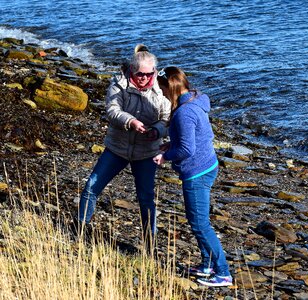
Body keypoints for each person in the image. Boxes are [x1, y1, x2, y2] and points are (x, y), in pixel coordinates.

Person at [78, 44, 171, 248]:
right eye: (140, 74)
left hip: (146, 153)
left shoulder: (162, 90)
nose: (145, 78)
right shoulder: (118, 84)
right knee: (91, 187)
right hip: (117, 148)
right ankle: (80, 232)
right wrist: (130, 122)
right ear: (131, 70)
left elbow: (167, 119)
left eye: (149, 74)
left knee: (146, 199)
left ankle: (149, 246)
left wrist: (157, 130)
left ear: (155, 72)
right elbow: (112, 110)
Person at [153, 66, 232, 287]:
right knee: (197, 221)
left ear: (171, 88)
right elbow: (197, 137)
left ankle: (223, 272)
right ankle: (207, 265)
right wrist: (172, 143)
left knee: (199, 224)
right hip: (208, 164)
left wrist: (165, 157)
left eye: (162, 89)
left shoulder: (183, 113)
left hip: (197, 172)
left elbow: (187, 149)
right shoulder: (195, 101)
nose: (162, 94)